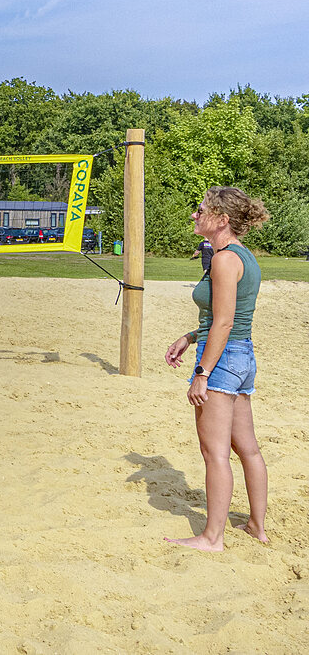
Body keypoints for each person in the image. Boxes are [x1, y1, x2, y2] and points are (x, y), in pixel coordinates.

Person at [163, 186, 271, 552]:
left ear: (222, 219)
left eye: (200, 210)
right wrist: (190, 336)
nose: (194, 215)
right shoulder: (244, 256)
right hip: (242, 356)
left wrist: (202, 373)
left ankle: (212, 538)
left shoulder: (225, 259)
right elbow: (228, 319)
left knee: (215, 453)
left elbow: (224, 322)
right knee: (248, 449)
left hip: (222, 360)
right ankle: (256, 526)